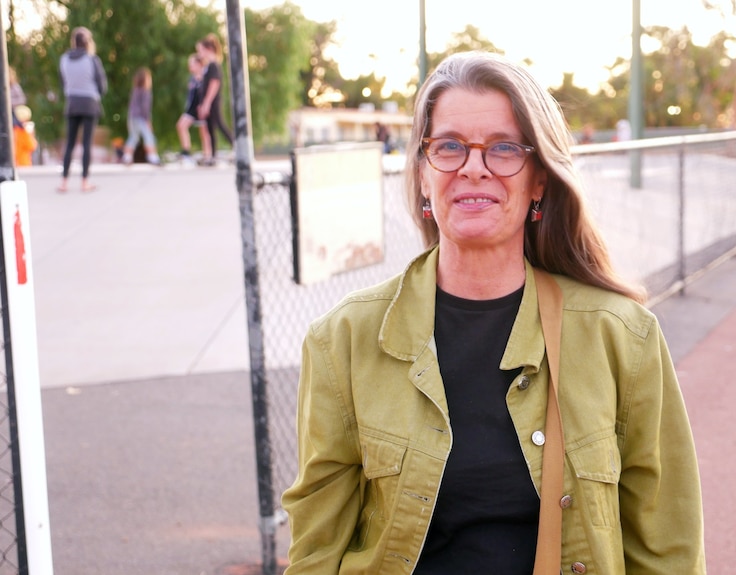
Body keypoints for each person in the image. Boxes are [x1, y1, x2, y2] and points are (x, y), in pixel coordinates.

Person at [282, 51, 706, 574]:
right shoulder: (344, 340)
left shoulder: (621, 338)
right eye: (450, 146)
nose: (474, 168)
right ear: (421, 173)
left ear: (539, 180)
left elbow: (668, 549)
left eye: (504, 148)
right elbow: (316, 552)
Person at [58, 26, 107, 192]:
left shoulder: (64, 59)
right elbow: (102, 85)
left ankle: (64, 182)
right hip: (89, 104)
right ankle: (84, 182)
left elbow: (63, 82)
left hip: (72, 103)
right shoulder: (92, 59)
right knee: (87, 143)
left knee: (70, 143)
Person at [196, 33, 233, 165]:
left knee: (220, 125)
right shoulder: (207, 66)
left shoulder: (213, 66)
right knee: (211, 128)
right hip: (207, 102)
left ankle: (236, 146)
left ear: (209, 49)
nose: (199, 53)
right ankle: (213, 155)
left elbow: (214, 84)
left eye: (201, 50)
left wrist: (206, 103)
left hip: (213, 102)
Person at [176, 53, 211, 165]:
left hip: (201, 108)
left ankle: (208, 155)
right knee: (181, 125)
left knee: (204, 132)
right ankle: (186, 151)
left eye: (191, 64)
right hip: (191, 108)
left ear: (198, 64)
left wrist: (204, 105)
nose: (189, 66)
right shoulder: (192, 78)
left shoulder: (205, 77)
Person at [122, 67, 161, 166]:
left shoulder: (135, 90)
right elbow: (145, 108)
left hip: (132, 117)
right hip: (141, 118)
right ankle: (153, 157)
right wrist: (148, 121)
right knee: (149, 137)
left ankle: (127, 156)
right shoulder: (145, 92)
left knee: (133, 136)